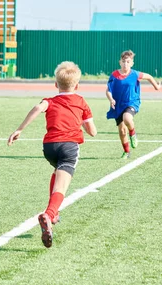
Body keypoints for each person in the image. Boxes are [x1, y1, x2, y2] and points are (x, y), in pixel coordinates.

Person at [7, 61, 97, 248]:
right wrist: (81, 123)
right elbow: (92, 131)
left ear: (56, 85)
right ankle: (49, 214)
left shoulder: (50, 100)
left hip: (49, 147)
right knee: (61, 187)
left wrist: (19, 129)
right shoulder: (80, 101)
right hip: (68, 147)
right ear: (77, 85)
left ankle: (53, 214)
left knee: (57, 172)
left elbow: (38, 108)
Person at [105, 50, 161, 159]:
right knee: (121, 130)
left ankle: (132, 133)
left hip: (132, 102)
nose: (125, 64)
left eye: (128, 62)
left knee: (127, 118)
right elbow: (108, 90)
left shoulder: (135, 74)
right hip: (118, 105)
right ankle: (126, 152)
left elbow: (149, 76)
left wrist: (156, 86)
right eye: (123, 61)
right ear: (119, 62)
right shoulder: (114, 75)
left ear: (132, 63)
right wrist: (111, 99)